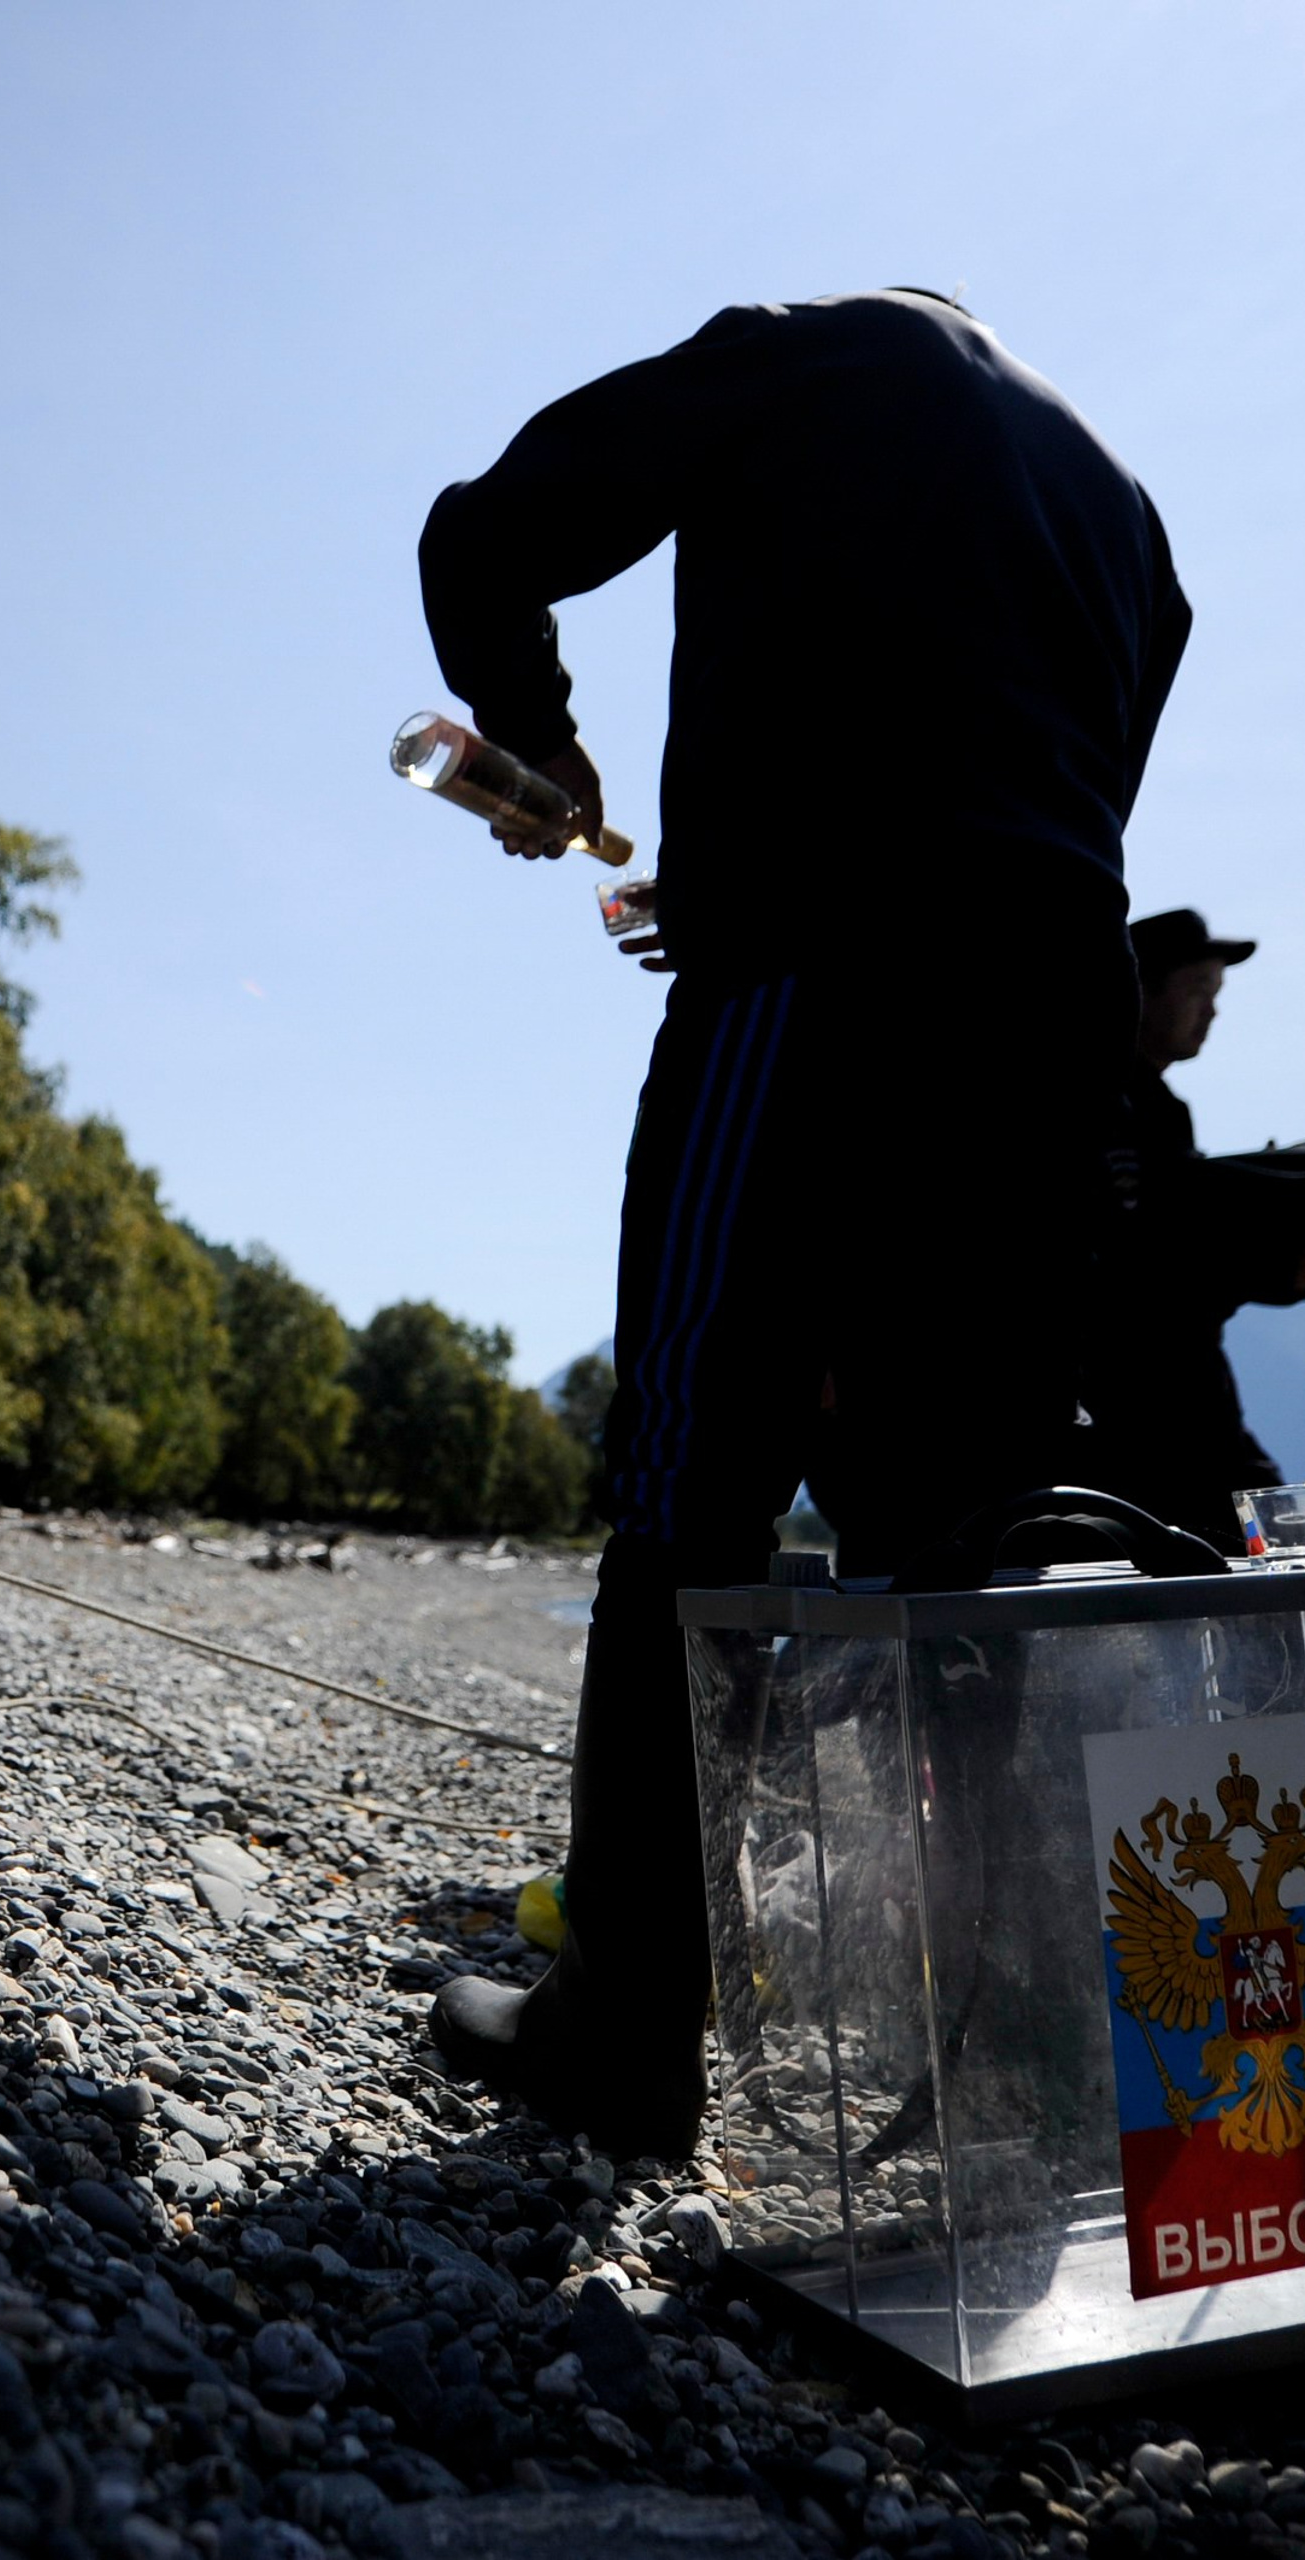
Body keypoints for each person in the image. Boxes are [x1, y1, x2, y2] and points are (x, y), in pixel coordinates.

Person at [414, 291, 1190, 2158]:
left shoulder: (817, 347)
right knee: (968, 1525)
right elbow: (1027, 800)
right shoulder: (1128, 517)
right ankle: (1021, 2091)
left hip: (811, 991)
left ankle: (625, 2035)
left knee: (695, 1480)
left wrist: (544, 746)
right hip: (1042, 1033)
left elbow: (485, 529)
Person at [1083, 908, 1305, 1548]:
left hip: (1177, 1400)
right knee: (1261, 1547)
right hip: (1146, 1409)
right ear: (1139, 990)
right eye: (1198, 991)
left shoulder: (1155, 1108)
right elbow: (1151, 1250)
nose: (1211, 1012)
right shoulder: (1105, 1105)